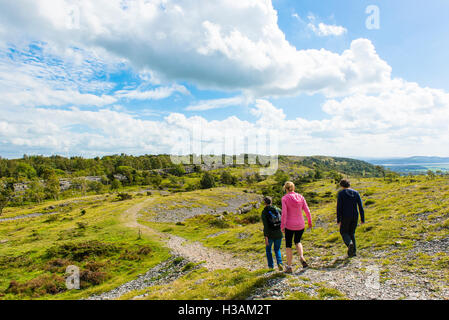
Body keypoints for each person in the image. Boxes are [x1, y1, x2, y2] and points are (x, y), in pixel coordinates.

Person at [281, 181, 312, 273]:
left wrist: (282, 226)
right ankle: (302, 257)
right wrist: (309, 221)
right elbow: (307, 210)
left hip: (289, 225)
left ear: (285, 189)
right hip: (300, 224)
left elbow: (284, 214)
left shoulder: (285, 198)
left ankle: (289, 267)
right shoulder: (301, 197)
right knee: (298, 241)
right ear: (293, 188)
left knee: (288, 245)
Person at [337, 179, 365, 257]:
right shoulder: (356, 193)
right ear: (349, 184)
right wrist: (362, 219)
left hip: (345, 216)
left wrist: (338, 220)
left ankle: (349, 244)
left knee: (343, 232)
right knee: (352, 233)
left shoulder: (341, 193)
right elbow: (360, 206)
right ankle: (353, 252)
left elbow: (339, 207)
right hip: (355, 216)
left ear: (341, 185)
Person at [261, 196, 284, 271]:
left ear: (265, 203)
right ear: (271, 201)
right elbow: (283, 217)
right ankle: (280, 263)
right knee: (277, 249)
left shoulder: (264, 212)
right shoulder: (277, 209)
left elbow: (266, 226)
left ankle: (271, 266)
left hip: (270, 234)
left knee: (268, 250)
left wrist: (266, 236)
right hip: (279, 232)